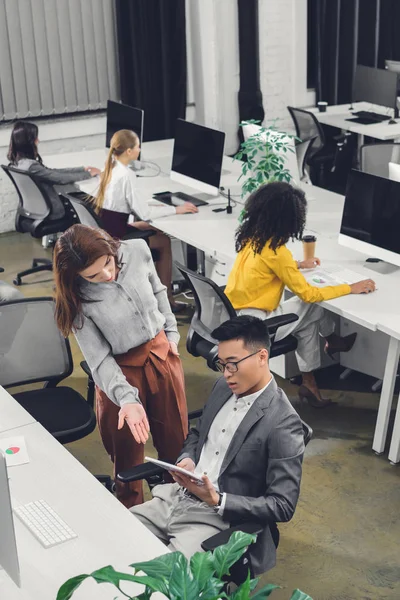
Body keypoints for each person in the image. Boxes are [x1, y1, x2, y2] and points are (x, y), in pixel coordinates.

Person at [131, 316, 304, 576]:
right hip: (173, 498)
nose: (226, 374)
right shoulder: (223, 387)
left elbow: (282, 505)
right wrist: (188, 459)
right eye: (222, 364)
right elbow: (198, 433)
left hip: (215, 520)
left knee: (164, 581)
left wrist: (218, 500)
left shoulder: (283, 423)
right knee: (111, 535)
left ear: (262, 357)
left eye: (233, 364)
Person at [53, 224, 188, 508]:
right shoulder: (76, 299)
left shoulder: (138, 250)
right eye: (92, 275)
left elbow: (159, 291)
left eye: (107, 263)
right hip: (119, 371)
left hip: (161, 354)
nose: (106, 274)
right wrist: (127, 399)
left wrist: (172, 334)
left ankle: (178, 506)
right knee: (127, 457)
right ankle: (133, 515)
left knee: (177, 444)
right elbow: (99, 359)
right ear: (75, 276)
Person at [224, 182, 376, 407]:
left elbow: (265, 266)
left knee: (306, 324)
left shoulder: (253, 237)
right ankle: (332, 340)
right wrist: (351, 287)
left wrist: (297, 265)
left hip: (235, 317)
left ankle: (310, 382)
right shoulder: (277, 251)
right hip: (256, 328)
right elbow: (309, 294)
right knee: (314, 306)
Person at [92, 129, 198, 312]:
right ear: (129, 151)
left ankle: (158, 290)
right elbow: (144, 212)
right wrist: (176, 209)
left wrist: (156, 207)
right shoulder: (127, 175)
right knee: (164, 241)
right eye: (137, 147)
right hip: (118, 238)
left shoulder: (110, 168)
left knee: (152, 228)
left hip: (109, 229)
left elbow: (135, 208)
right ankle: (168, 302)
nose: (139, 150)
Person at [7, 120, 100, 220]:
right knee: (90, 200)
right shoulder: (32, 167)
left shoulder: (18, 163)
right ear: (27, 143)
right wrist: (89, 174)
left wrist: (82, 169)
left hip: (37, 209)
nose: (38, 140)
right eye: (35, 138)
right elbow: (60, 179)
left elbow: (53, 172)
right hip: (53, 211)